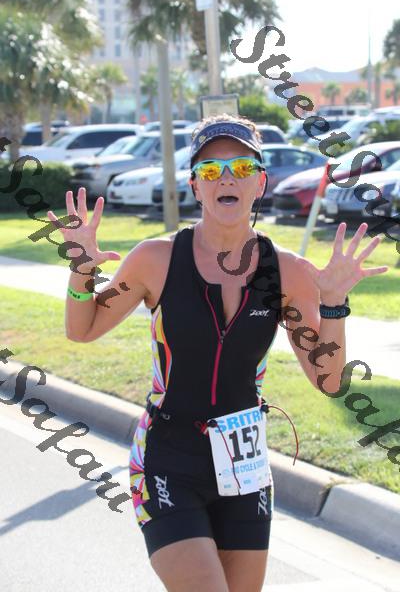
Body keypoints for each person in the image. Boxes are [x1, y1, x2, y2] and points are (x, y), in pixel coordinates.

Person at [48, 113, 388, 592]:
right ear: (195, 185)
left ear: (260, 182)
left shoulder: (287, 273)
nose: (226, 178)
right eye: (211, 170)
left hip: (243, 464)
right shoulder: (155, 260)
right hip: (167, 457)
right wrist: (81, 270)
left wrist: (333, 304)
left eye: (242, 168)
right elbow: (82, 329)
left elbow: (329, 379)